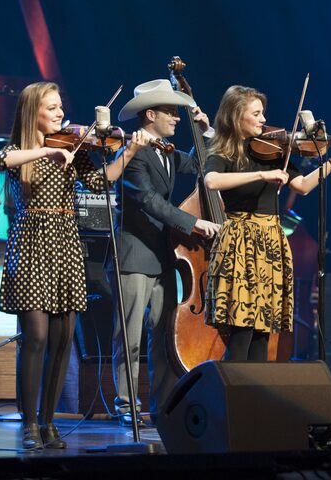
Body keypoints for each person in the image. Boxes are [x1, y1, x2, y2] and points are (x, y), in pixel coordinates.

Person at [0, 81, 149, 450]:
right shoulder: (25, 150)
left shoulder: (72, 148)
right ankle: (29, 423)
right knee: (36, 338)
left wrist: (127, 152)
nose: (61, 113)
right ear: (34, 113)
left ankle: (48, 423)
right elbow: (3, 160)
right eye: (52, 108)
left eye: (61, 106)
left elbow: (100, 180)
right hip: (32, 244)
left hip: (65, 243)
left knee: (63, 340)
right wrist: (45, 152)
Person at [203, 85, 331, 361]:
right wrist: (261, 177)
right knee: (241, 330)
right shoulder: (223, 151)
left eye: (263, 113)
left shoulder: (274, 150)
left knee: (263, 329)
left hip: (271, 241)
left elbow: (303, 185)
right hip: (241, 239)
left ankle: (257, 399)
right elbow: (212, 181)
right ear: (236, 115)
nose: (264, 119)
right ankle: (230, 397)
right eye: (257, 113)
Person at [110, 79, 222, 426]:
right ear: (151, 114)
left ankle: (161, 405)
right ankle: (126, 405)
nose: (177, 118)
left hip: (164, 257)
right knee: (128, 338)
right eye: (172, 112)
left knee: (162, 337)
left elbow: (205, 167)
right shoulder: (132, 154)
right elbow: (148, 201)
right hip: (134, 256)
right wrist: (193, 223)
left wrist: (206, 131)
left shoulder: (169, 152)